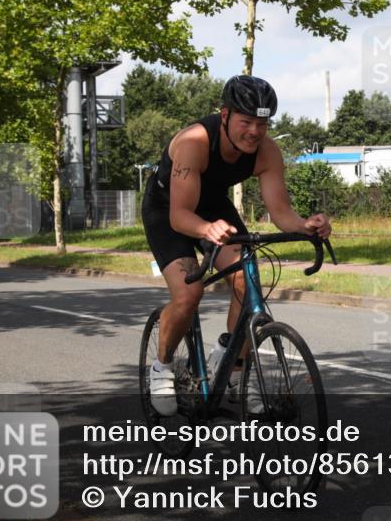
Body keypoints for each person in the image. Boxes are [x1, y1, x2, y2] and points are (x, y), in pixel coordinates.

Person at [141, 75, 331, 416]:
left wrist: (305, 226)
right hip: (169, 209)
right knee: (189, 294)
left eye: (262, 124)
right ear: (225, 115)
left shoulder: (267, 151)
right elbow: (180, 216)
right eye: (246, 122)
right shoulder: (194, 142)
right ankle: (162, 366)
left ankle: (234, 368)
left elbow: (281, 213)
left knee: (248, 280)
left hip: (213, 206)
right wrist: (205, 228)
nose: (254, 132)